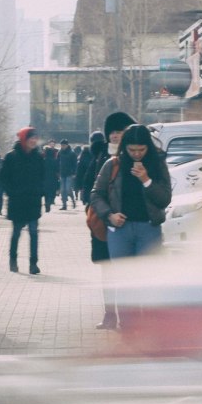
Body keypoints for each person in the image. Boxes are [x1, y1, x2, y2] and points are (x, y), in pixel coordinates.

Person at [90, 122, 171, 330]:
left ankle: (147, 323)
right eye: (131, 149)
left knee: (146, 278)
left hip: (148, 228)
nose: (136, 154)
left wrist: (146, 180)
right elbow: (96, 194)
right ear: (124, 147)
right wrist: (109, 215)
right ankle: (127, 325)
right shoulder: (113, 164)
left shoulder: (157, 164)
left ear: (148, 147)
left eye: (141, 150)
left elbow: (164, 199)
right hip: (120, 230)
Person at [78, 112, 134, 329]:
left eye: (119, 132)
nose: (114, 136)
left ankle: (127, 317)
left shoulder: (135, 155)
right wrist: (99, 210)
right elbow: (90, 186)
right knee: (108, 272)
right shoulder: (101, 155)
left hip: (128, 221)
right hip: (104, 222)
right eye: (112, 132)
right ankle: (110, 314)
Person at [0, 126, 45, 274]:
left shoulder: (38, 157)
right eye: (31, 138)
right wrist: (12, 192)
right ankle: (13, 260)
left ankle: (33, 264)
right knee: (17, 232)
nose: (33, 141)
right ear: (24, 139)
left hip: (33, 201)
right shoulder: (11, 156)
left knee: (33, 232)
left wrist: (41, 191)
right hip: (17, 201)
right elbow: (3, 178)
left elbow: (43, 177)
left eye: (35, 138)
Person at [58, 138, 78, 210]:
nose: (62, 146)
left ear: (67, 145)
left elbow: (75, 164)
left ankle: (73, 201)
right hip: (62, 173)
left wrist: (74, 173)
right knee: (63, 190)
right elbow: (57, 162)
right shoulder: (60, 152)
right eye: (61, 145)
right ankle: (64, 205)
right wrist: (58, 172)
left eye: (63, 145)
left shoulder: (72, 153)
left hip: (69, 173)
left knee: (68, 189)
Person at [42, 144, 59, 213]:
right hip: (53, 178)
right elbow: (57, 169)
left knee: (46, 192)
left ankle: (47, 203)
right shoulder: (54, 161)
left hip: (45, 178)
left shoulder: (43, 160)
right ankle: (50, 200)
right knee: (52, 191)